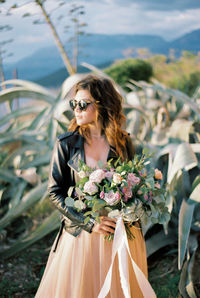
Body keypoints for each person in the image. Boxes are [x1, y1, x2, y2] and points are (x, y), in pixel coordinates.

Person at [35, 74, 148, 298]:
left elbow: (132, 186)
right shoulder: (66, 144)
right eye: (74, 103)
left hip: (119, 234)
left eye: (83, 104)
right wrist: (90, 222)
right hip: (82, 237)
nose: (76, 109)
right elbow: (55, 192)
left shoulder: (123, 142)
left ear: (102, 105)